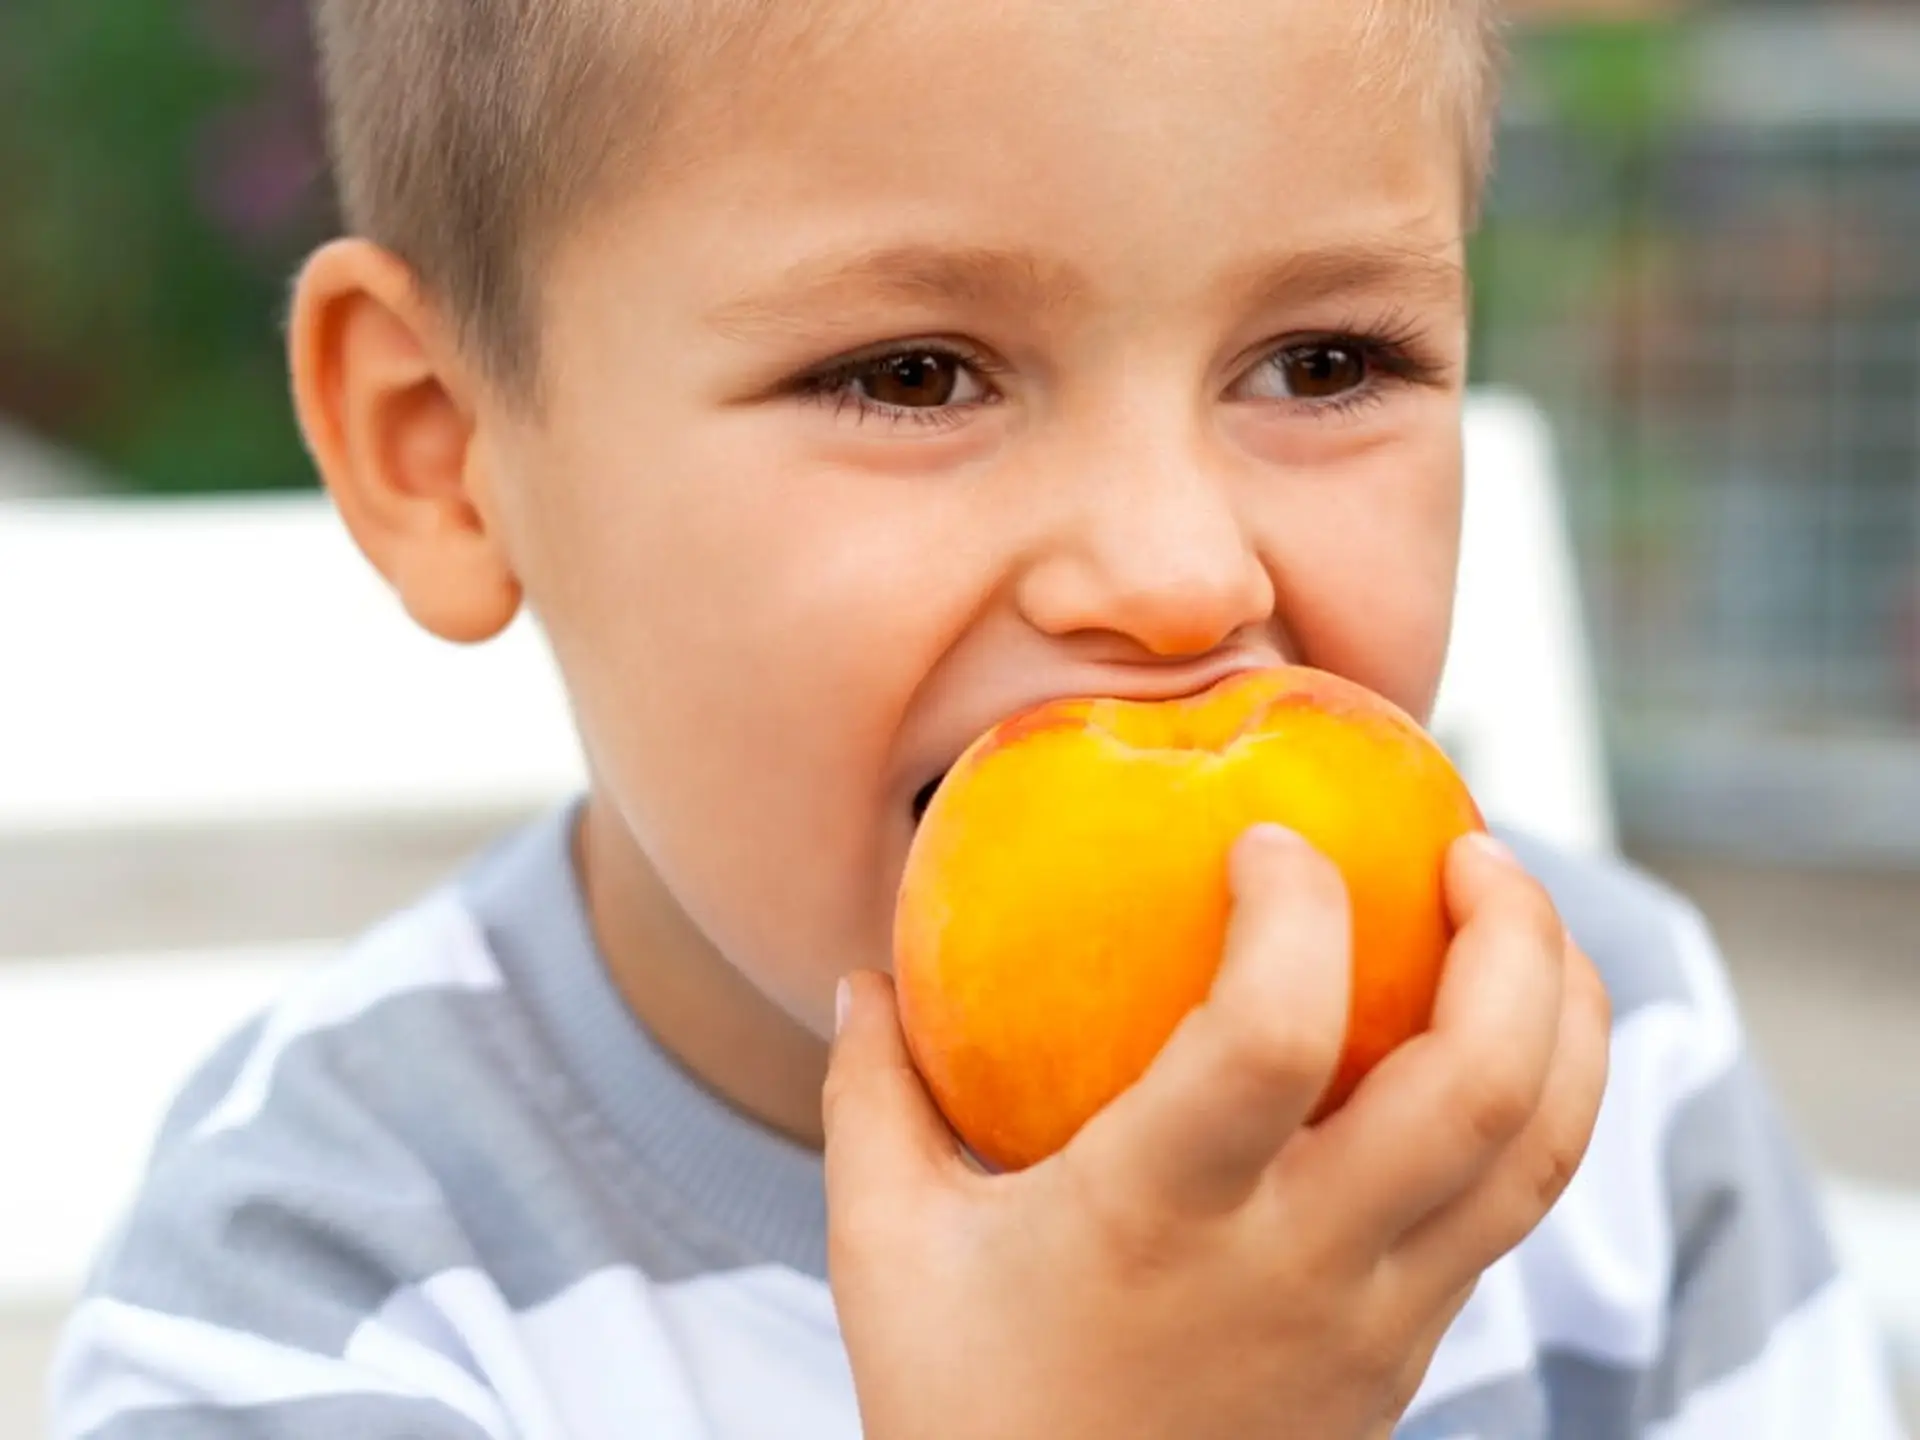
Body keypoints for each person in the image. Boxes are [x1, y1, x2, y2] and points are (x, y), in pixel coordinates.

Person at [48, 2, 1907, 1436]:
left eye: (1325, 360)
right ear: (445, 455)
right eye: (913, 372)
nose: (1182, 574)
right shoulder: (327, 1281)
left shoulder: (1605, 1077)